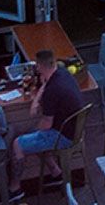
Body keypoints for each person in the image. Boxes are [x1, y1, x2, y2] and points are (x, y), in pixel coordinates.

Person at [9, 50, 83, 193]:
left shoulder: (52, 91)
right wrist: (39, 95)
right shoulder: (63, 74)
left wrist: (34, 129)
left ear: (39, 67)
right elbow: (47, 86)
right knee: (34, 134)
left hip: (63, 136)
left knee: (17, 144)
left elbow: (46, 124)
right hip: (75, 129)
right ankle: (56, 172)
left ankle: (14, 188)